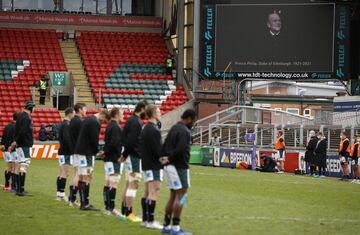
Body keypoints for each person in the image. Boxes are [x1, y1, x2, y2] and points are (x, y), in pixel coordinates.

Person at [160, 109, 197, 235]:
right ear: (189, 119)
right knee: (181, 196)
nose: (193, 123)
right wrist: (170, 158)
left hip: (169, 167)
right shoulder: (185, 131)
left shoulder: (173, 128)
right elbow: (181, 148)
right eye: (193, 120)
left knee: (173, 195)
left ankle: (166, 225)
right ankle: (175, 227)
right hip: (179, 167)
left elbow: (164, 145)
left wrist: (164, 157)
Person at [74, 109, 110, 211]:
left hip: (80, 151)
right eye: (104, 121)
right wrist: (97, 152)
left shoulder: (88, 119)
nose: (103, 123)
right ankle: (85, 203)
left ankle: (83, 203)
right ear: (102, 115)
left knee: (82, 177)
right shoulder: (95, 122)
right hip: (87, 153)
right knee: (87, 176)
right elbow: (94, 140)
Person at [121, 100, 148, 222]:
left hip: (130, 156)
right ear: (142, 108)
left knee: (128, 183)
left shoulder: (131, 120)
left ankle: (124, 210)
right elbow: (131, 141)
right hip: (134, 157)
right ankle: (129, 212)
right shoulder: (136, 122)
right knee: (134, 183)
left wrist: (124, 155)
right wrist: (125, 154)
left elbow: (125, 138)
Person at [139, 105, 163, 229]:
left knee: (147, 191)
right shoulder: (154, 130)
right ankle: (150, 220)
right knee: (155, 190)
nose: (160, 113)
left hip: (146, 164)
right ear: (153, 114)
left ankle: (145, 219)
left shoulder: (145, 128)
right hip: (154, 165)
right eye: (158, 112)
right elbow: (157, 150)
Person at [102, 107, 124, 216]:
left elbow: (109, 142)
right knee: (113, 182)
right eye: (121, 113)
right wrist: (120, 155)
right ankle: (111, 208)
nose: (123, 115)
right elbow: (115, 143)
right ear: (116, 115)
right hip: (114, 158)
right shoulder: (116, 127)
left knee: (108, 181)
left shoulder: (109, 126)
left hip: (108, 158)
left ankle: (107, 206)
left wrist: (105, 151)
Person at [11, 100, 35, 196]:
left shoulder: (20, 116)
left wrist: (15, 141)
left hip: (20, 145)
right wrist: (16, 141)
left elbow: (17, 131)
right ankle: (21, 190)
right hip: (25, 144)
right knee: (24, 165)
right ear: (31, 108)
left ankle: (18, 189)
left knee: (21, 164)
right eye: (34, 107)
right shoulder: (27, 118)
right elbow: (23, 131)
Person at [68, 103, 87, 206]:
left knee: (76, 174)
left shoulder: (73, 120)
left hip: (74, 151)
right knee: (79, 174)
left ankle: (72, 198)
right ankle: (72, 198)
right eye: (84, 109)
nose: (86, 111)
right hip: (79, 151)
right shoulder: (79, 121)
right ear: (79, 110)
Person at [56, 107, 75, 201]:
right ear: (70, 113)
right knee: (65, 172)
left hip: (62, 151)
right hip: (66, 152)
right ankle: (62, 194)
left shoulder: (62, 123)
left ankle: (59, 193)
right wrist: (72, 150)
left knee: (62, 172)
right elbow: (67, 139)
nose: (74, 115)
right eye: (74, 113)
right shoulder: (67, 124)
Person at [1, 112, 18, 191]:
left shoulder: (7, 126)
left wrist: (2, 145)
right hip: (12, 149)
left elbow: (3, 137)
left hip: (5, 149)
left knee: (9, 167)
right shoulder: (17, 127)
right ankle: (13, 186)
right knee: (14, 167)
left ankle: (7, 185)